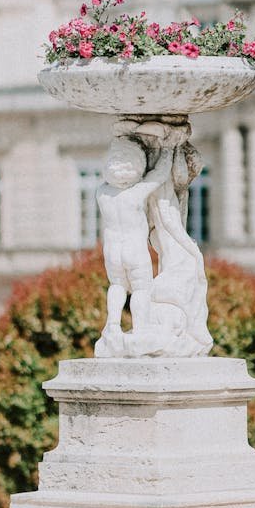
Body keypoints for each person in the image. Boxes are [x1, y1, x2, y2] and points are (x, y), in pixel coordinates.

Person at [95, 141, 172, 352]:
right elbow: (160, 174)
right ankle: (140, 328)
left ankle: (112, 325)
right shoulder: (136, 193)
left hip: (112, 250)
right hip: (134, 249)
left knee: (117, 285)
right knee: (141, 288)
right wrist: (167, 148)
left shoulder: (102, 193)